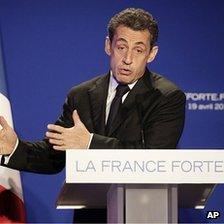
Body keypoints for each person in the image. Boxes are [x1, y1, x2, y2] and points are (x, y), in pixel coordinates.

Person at [0, 7, 186, 223]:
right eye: (121, 47)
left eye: (138, 50)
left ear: (151, 53)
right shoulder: (81, 95)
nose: (127, 59)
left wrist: (90, 143)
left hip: (144, 214)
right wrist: (14, 148)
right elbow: (54, 157)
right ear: (108, 45)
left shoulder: (166, 97)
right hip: (91, 216)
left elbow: (153, 158)